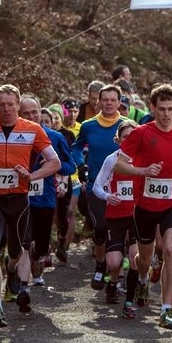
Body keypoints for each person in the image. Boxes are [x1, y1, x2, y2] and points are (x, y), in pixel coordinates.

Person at [0, 84, 62, 328]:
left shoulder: (33, 130)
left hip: (18, 199)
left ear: (18, 105)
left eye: (11, 104)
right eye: (2, 105)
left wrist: (32, 175)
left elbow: (55, 162)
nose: (6, 109)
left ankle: (13, 270)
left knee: (17, 251)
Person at [114, 84, 172, 330]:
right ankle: (142, 278)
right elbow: (119, 166)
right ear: (153, 108)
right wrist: (142, 171)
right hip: (144, 203)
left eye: (170, 109)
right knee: (144, 258)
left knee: (171, 249)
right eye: (161, 109)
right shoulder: (141, 133)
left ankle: (166, 310)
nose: (166, 114)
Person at [18, 97, 76, 287]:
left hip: (45, 198)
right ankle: (21, 283)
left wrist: (54, 166)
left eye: (34, 112)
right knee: (23, 241)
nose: (31, 116)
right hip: (21, 198)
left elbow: (70, 166)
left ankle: (38, 257)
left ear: (40, 112)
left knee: (41, 244)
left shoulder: (55, 137)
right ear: (19, 114)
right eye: (26, 113)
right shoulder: (14, 137)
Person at [72, 84, 124, 291]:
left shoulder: (128, 125)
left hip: (122, 186)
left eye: (113, 100)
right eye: (105, 100)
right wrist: (81, 165)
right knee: (100, 226)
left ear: (120, 102)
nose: (109, 103)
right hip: (96, 185)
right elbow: (75, 148)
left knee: (121, 231)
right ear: (98, 102)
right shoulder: (88, 125)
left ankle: (117, 273)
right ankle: (101, 263)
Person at [91, 120, 141, 318]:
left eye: (132, 136)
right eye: (125, 136)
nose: (129, 140)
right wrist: (108, 196)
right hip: (116, 215)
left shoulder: (143, 157)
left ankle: (131, 297)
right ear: (118, 139)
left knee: (136, 259)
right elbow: (97, 186)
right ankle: (112, 282)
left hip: (137, 216)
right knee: (113, 262)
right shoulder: (112, 159)